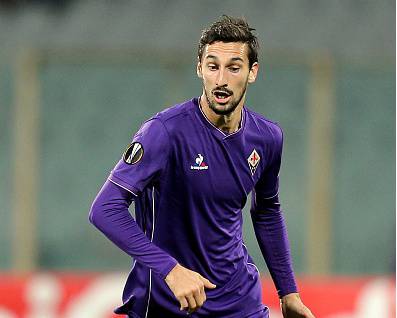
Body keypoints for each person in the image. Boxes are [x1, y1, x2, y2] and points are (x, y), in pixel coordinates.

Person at [89, 15, 315, 318]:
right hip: (168, 303)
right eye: (213, 66)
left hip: (239, 302)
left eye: (234, 67)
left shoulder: (267, 138)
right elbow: (105, 209)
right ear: (200, 69)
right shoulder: (164, 132)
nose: (221, 79)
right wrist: (171, 269)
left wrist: (288, 292)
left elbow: (266, 210)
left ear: (252, 72)